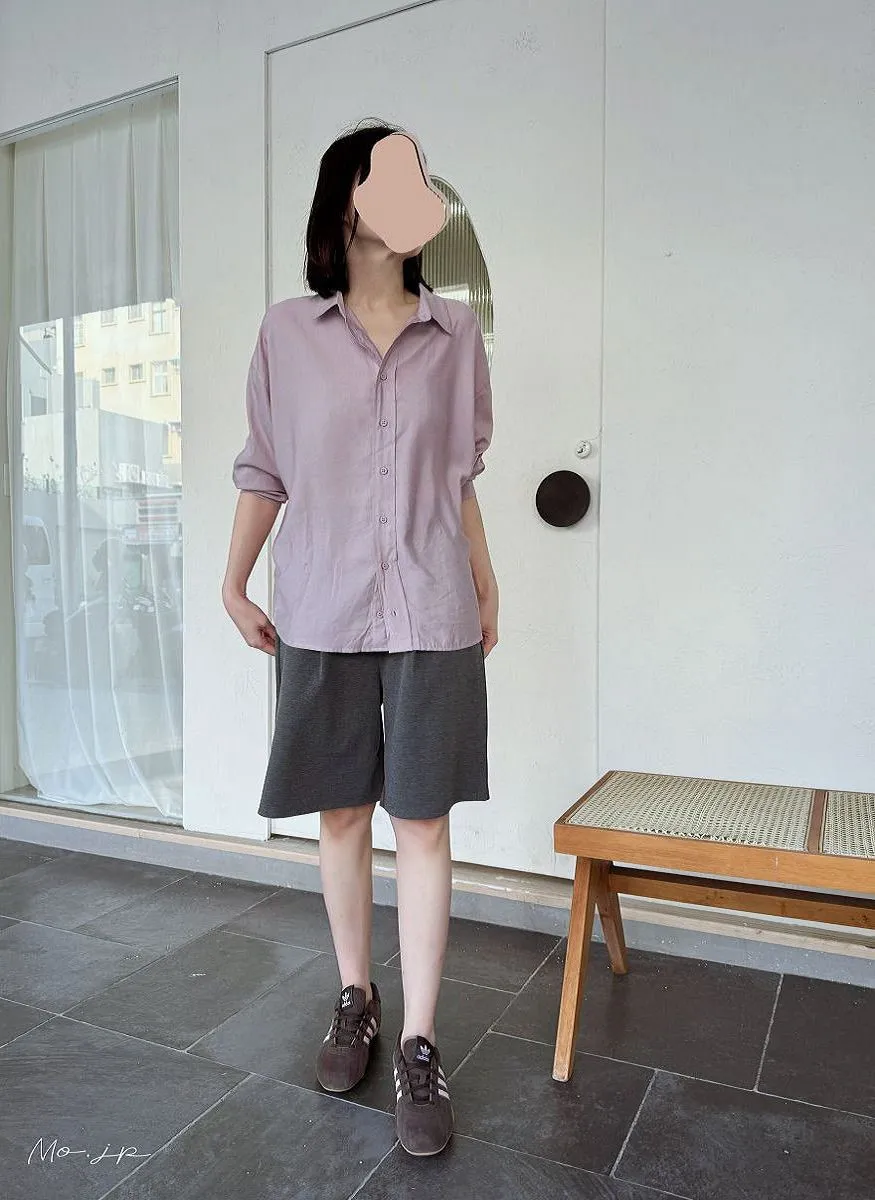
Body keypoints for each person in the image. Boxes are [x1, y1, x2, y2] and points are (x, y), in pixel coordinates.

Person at [222, 122, 497, 1157]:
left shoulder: (455, 335)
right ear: (343, 201)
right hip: (322, 605)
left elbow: (458, 479)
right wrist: (232, 580)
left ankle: (420, 1039)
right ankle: (356, 997)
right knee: (341, 812)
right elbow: (265, 470)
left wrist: (486, 580)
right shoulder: (286, 332)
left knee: (420, 819)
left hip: (430, 604)